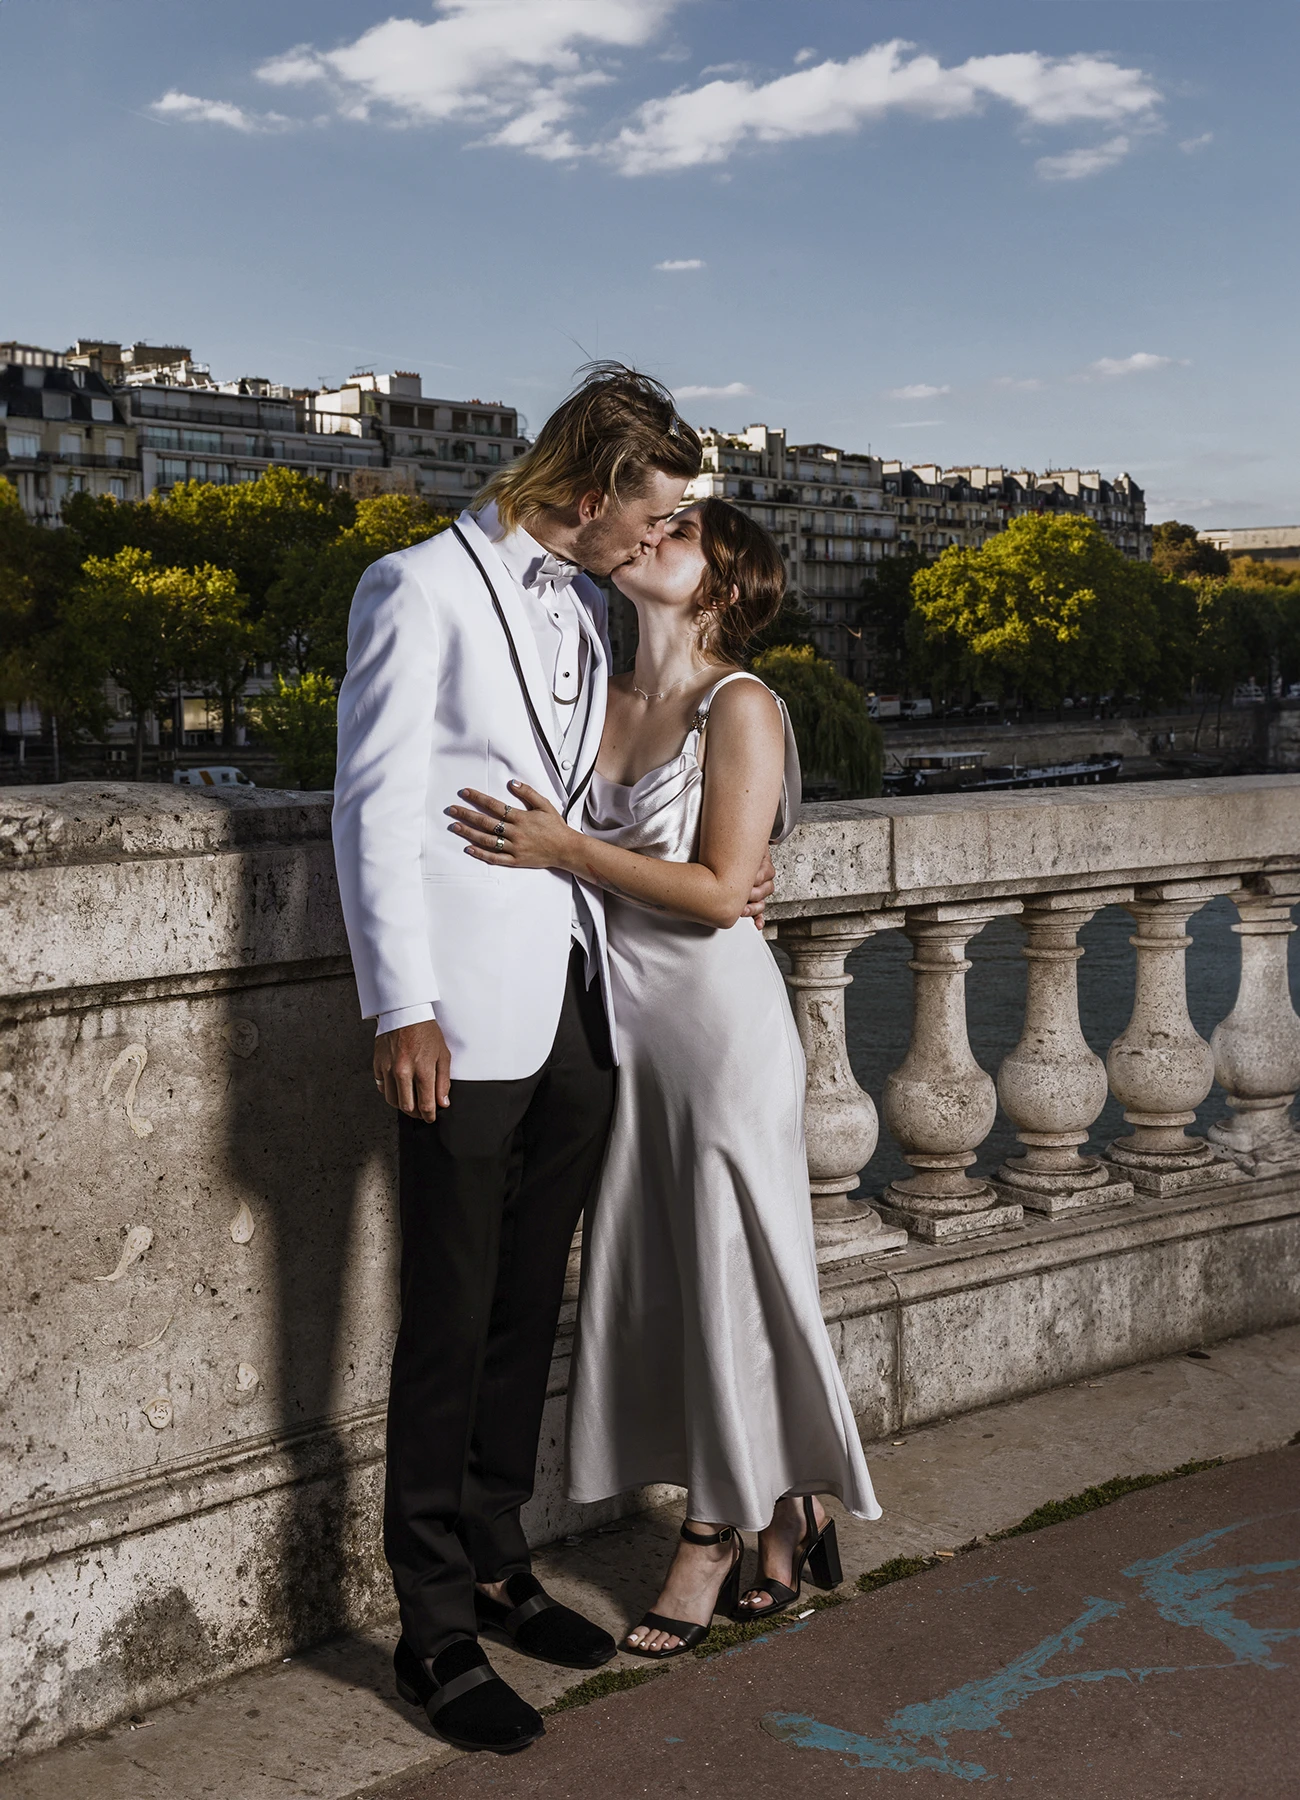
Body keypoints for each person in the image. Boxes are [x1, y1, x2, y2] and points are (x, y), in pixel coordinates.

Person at [332, 366, 774, 1755]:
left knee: (529, 1310)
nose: (655, 549)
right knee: (450, 1319)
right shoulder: (414, 587)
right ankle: (435, 1630)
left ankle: (501, 1556)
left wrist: (725, 875)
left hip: (580, 1004)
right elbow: (374, 805)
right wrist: (400, 1003)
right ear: (589, 498)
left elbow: (599, 797)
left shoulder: (586, 605)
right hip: (459, 1014)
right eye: (642, 525)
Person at [449, 497, 880, 1663]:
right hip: (617, 1019)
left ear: (723, 586)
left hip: (716, 1026)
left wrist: (567, 848)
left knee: (737, 1271)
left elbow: (715, 888)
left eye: (680, 534)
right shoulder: (594, 679)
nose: (650, 536)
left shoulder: (738, 705)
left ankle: (714, 1528)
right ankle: (794, 1503)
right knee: (670, 1277)